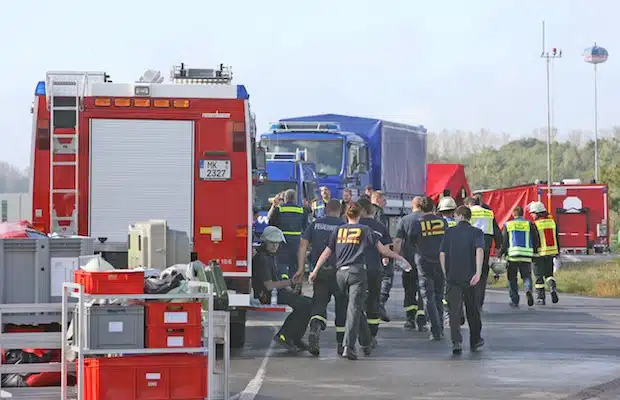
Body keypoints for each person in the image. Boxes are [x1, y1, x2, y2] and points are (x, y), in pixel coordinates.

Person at [310, 202, 411, 360]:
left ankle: (365, 341)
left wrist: (315, 270)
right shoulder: (365, 230)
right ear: (359, 215)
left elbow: (326, 252)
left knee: (353, 308)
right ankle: (348, 347)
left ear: (346, 215)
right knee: (354, 309)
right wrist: (400, 258)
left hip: (340, 274)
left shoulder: (339, 230)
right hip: (357, 273)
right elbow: (383, 250)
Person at [295, 199, 346, 356]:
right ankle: (341, 343)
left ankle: (315, 329)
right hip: (339, 272)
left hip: (319, 271)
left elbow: (303, 245)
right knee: (341, 306)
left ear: (325, 209)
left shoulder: (315, 224)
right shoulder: (344, 226)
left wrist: (300, 269)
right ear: (340, 210)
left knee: (319, 302)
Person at [251, 226, 311, 351]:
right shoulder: (262, 259)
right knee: (304, 305)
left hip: (276, 293)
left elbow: (276, 281)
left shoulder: (271, 257)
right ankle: (284, 335)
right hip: (267, 295)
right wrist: (290, 282)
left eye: (277, 243)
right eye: (271, 242)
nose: (274, 245)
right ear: (265, 242)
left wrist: (289, 288)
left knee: (308, 303)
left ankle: (295, 338)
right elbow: (269, 285)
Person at [439, 205, 485, 355]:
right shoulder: (477, 233)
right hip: (470, 277)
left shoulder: (449, 232)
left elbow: (442, 253)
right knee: (473, 310)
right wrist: (478, 272)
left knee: (454, 311)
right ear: (469, 217)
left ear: (459, 215)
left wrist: (446, 273)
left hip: (453, 276)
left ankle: (456, 341)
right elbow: (479, 250)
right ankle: (475, 340)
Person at [404, 195, 447, 341]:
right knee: (439, 295)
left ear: (420, 208)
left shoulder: (418, 222)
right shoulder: (442, 222)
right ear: (434, 207)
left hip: (423, 260)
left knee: (427, 296)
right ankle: (440, 326)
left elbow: (411, 240)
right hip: (440, 260)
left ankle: (435, 329)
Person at [358, 198, 392, 339]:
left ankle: (360, 333)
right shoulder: (381, 226)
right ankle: (371, 335)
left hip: (357, 268)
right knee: (373, 301)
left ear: (362, 210)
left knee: (355, 302)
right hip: (375, 269)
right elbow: (387, 249)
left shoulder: (354, 225)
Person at [393, 196, 427, 331]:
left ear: (412, 205)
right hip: (425, 260)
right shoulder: (428, 220)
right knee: (423, 289)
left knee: (409, 289)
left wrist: (396, 258)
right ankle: (422, 319)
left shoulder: (404, 220)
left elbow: (397, 241)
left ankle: (410, 319)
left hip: (408, 260)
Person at [463, 196, 502, 309]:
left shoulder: (468, 212)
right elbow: (496, 230)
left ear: (468, 204)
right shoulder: (489, 213)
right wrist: (498, 246)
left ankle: (470, 300)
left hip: (470, 244)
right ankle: (479, 301)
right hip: (486, 244)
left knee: (469, 272)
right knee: (482, 273)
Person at [500, 206, 539, 307]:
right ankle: (527, 290)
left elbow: (504, 241)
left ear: (513, 214)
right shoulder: (529, 224)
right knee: (526, 276)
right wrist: (535, 251)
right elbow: (535, 239)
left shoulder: (508, 224)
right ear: (522, 214)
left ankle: (515, 299)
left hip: (513, 256)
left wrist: (501, 253)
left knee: (512, 278)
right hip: (526, 255)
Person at [267, 189, 308, 285]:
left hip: (282, 240)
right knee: (294, 263)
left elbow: (271, 223)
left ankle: (284, 281)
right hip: (296, 242)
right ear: (294, 199)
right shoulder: (302, 210)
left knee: (282, 262)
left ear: (285, 198)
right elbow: (305, 227)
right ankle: (293, 283)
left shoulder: (279, 209)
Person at [528, 201, 561, 305]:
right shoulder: (552, 222)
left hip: (539, 254)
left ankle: (540, 298)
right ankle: (552, 288)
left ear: (537, 213)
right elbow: (557, 237)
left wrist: (532, 253)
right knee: (549, 275)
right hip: (551, 253)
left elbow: (534, 240)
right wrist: (557, 252)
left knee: (538, 276)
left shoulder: (535, 224)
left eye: (532, 213)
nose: (531, 215)